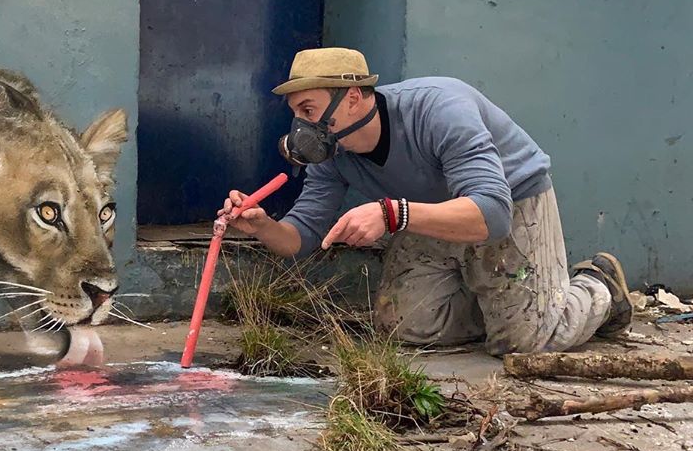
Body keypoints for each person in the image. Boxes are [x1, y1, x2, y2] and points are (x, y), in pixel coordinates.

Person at [220, 48, 632, 355]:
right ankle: (501, 302)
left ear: (351, 96)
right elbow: (302, 236)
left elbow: (491, 214)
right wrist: (262, 227)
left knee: (524, 342)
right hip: (425, 214)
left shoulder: (439, 106)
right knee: (403, 324)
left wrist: (390, 213)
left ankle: (597, 287)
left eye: (309, 109)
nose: (302, 127)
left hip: (509, 202)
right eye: (296, 114)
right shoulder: (335, 153)